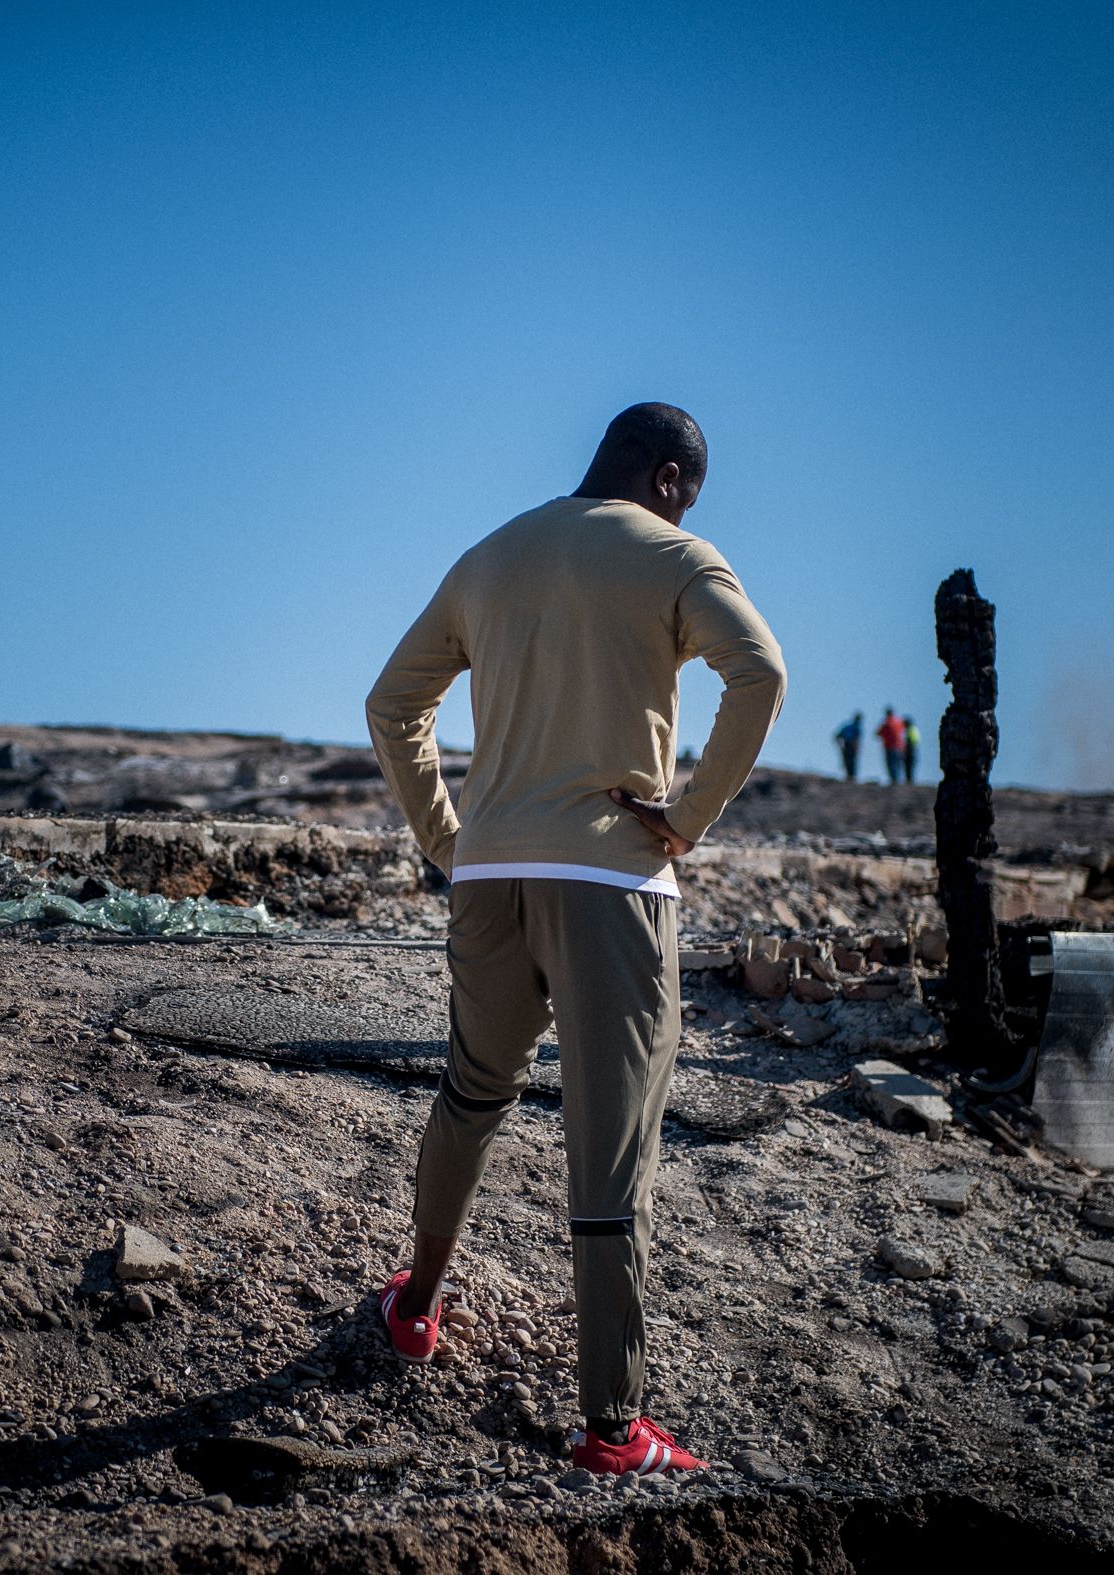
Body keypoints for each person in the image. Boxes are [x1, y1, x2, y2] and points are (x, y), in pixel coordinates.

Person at [365, 402, 787, 1477]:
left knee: (472, 1089)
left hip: (489, 876)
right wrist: (688, 819)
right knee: (611, 1144)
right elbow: (760, 673)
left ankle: (416, 1305)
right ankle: (611, 1425)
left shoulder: (491, 556)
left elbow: (391, 704)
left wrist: (449, 839)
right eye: (687, 493)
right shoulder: (676, 556)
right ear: (669, 479)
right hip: (611, 883)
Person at [876, 706, 906, 784]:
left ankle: (894, 780)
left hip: (890, 747)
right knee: (898, 764)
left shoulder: (887, 723)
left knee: (891, 764)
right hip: (900, 746)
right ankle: (897, 779)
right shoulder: (899, 722)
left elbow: (878, 733)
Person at [834, 711, 864, 782]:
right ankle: (851, 777)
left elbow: (837, 736)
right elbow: (856, 739)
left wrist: (840, 746)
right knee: (851, 762)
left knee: (847, 761)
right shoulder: (856, 727)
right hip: (851, 746)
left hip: (846, 745)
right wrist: (856, 747)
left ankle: (849, 776)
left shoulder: (847, 726)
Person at [901, 716, 921, 785]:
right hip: (914, 749)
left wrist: (905, 750)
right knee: (911, 766)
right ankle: (910, 780)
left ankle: (909, 781)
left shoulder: (910, 730)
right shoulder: (914, 729)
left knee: (908, 766)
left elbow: (909, 741)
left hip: (910, 749)